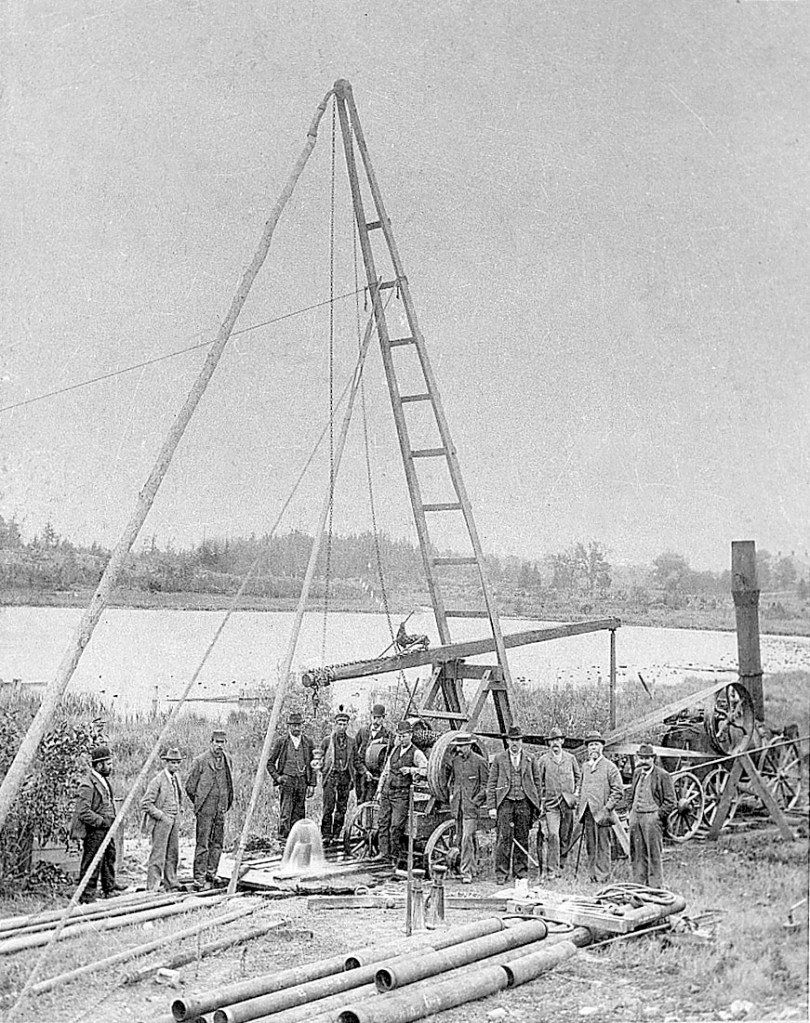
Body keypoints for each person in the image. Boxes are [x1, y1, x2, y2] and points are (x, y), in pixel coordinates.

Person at [486, 725, 543, 885]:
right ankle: (501, 873)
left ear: (521, 741)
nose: (515, 743)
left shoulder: (531, 759)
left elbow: (537, 783)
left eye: (517, 740)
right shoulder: (499, 759)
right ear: (508, 741)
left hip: (524, 803)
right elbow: (491, 784)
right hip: (505, 803)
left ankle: (521, 872)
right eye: (512, 740)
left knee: (522, 838)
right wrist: (492, 806)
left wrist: (538, 804)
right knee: (504, 838)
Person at [70, 744, 124, 902]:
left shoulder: (102, 780)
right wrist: (102, 821)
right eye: (109, 763)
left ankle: (109, 887)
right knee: (92, 861)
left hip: (105, 828)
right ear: (99, 765)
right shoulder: (87, 784)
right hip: (95, 829)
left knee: (109, 856)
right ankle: (86, 895)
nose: (111, 766)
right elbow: (83, 812)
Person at [185, 729, 234, 889]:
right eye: (217, 742)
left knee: (218, 843)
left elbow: (228, 782)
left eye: (222, 742)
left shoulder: (227, 760)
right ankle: (199, 877)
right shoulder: (200, 761)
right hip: (205, 809)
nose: (219, 745)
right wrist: (200, 803)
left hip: (220, 808)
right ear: (211, 742)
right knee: (203, 843)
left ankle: (211, 874)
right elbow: (190, 787)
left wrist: (225, 803)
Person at [376, 720, 428, 870]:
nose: (402, 738)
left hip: (401, 794)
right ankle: (383, 854)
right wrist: (379, 790)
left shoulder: (417, 753)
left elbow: (426, 770)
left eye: (405, 735)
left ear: (410, 735)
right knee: (382, 823)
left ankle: (395, 859)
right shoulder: (394, 750)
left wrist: (412, 770)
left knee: (395, 827)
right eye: (400, 736)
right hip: (387, 791)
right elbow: (386, 771)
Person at [574, 730, 624, 884]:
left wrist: (608, 808)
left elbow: (618, 790)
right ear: (587, 749)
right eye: (590, 745)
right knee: (591, 844)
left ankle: (603, 876)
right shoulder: (585, 767)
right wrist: (578, 801)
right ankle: (592, 875)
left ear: (601, 747)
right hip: (587, 812)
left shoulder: (610, 767)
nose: (593, 748)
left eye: (596, 745)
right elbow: (580, 785)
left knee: (603, 844)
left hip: (602, 812)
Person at [629, 743, 676, 888]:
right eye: (641, 758)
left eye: (647, 758)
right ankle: (639, 884)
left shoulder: (662, 775)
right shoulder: (637, 773)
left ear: (653, 759)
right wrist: (630, 811)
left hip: (651, 818)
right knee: (637, 852)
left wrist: (658, 815)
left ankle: (655, 886)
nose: (644, 761)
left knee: (654, 853)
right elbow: (632, 793)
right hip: (636, 817)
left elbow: (670, 801)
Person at [539, 726, 582, 878]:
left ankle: (562, 861)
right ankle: (552, 869)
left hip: (568, 803)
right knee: (553, 834)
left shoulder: (570, 759)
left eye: (558, 740)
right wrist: (541, 801)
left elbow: (579, 777)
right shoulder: (544, 760)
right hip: (551, 805)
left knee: (565, 835)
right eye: (552, 741)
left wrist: (576, 793)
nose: (555, 743)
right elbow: (539, 782)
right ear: (549, 744)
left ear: (562, 741)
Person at [267, 710, 315, 844]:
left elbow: (313, 764)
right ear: (289, 726)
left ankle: (298, 840)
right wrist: (278, 778)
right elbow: (270, 763)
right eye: (294, 725)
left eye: (299, 725)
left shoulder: (308, 742)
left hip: (302, 781)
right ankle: (283, 840)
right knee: (285, 811)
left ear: (302, 726)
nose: (296, 728)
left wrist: (312, 784)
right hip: (287, 781)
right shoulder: (281, 742)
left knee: (300, 811)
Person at [447, 732, 489, 884]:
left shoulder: (480, 762)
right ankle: (468, 867)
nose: (460, 749)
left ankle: (467, 873)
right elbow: (452, 781)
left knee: (466, 838)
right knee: (461, 838)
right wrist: (452, 795)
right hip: (458, 806)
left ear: (470, 745)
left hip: (471, 808)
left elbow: (486, 786)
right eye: (458, 746)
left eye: (463, 746)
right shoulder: (456, 761)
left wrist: (476, 801)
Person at [141, 747, 184, 892]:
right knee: (158, 854)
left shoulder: (176, 778)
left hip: (174, 821)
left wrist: (179, 813)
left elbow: (179, 796)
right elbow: (146, 803)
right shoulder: (157, 780)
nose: (175, 766)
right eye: (172, 763)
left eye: (177, 763)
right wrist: (161, 816)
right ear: (166, 763)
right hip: (161, 822)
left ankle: (171, 881)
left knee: (173, 852)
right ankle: (153, 885)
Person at [320, 708, 355, 847]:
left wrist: (364, 772)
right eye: (339, 724)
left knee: (341, 809)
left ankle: (336, 835)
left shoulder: (351, 742)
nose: (342, 727)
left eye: (344, 724)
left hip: (345, 778)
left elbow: (356, 760)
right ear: (335, 724)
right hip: (331, 777)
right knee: (328, 807)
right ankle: (326, 835)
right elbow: (319, 759)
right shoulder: (327, 741)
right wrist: (323, 769)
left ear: (347, 725)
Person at [353, 703, 393, 803]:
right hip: (362, 772)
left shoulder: (387, 733)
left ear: (384, 718)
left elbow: (396, 742)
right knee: (360, 800)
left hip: (376, 773)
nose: (376, 721)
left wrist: (381, 740)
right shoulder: (363, 731)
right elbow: (354, 751)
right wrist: (364, 771)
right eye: (374, 717)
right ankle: (360, 819)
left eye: (379, 718)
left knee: (372, 801)